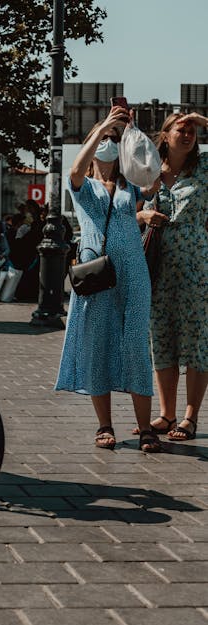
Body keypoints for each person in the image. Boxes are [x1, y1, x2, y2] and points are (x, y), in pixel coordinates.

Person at [55, 106, 162, 452]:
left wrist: (131, 133)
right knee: (99, 345)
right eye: (105, 140)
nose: (109, 144)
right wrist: (101, 127)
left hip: (132, 271)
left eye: (113, 141)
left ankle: (145, 428)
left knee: (135, 346)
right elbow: (73, 169)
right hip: (97, 273)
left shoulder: (131, 183)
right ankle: (105, 425)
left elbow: (153, 175)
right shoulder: (82, 185)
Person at [136, 112, 208, 442]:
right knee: (162, 339)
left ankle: (191, 416)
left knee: (196, 340)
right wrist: (143, 213)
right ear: (165, 135)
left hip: (196, 266)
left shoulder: (204, 168)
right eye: (182, 128)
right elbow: (122, 209)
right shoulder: (147, 171)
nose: (189, 134)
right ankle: (166, 414)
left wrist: (202, 119)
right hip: (156, 266)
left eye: (193, 130)